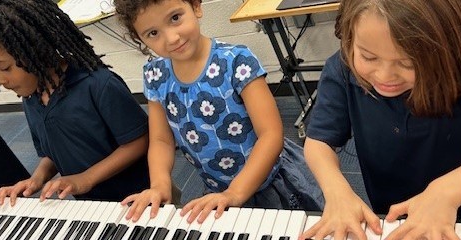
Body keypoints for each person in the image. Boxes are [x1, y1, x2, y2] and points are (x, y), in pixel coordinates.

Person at [302, 0, 461, 239]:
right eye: (368, 57)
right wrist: (336, 191)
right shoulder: (342, 68)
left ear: (451, 48)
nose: (384, 76)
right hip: (398, 220)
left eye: (407, 63)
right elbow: (318, 142)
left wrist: (445, 193)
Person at [113, 0, 325, 224]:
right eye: (153, 33)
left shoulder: (236, 61)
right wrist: (160, 185)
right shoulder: (154, 76)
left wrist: (236, 192)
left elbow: (271, 134)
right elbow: (161, 140)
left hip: (273, 181)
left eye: (175, 18)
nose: (171, 38)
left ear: (196, 6)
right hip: (218, 190)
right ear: (140, 39)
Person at [0, 0, 150, 205]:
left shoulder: (98, 85)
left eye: (5, 68)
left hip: (138, 199)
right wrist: (36, 179)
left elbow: (139, 141)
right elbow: (53, 152)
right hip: (92, 205)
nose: (0, 80)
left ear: (35, 48)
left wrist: (87, 178)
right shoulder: (31, 98)